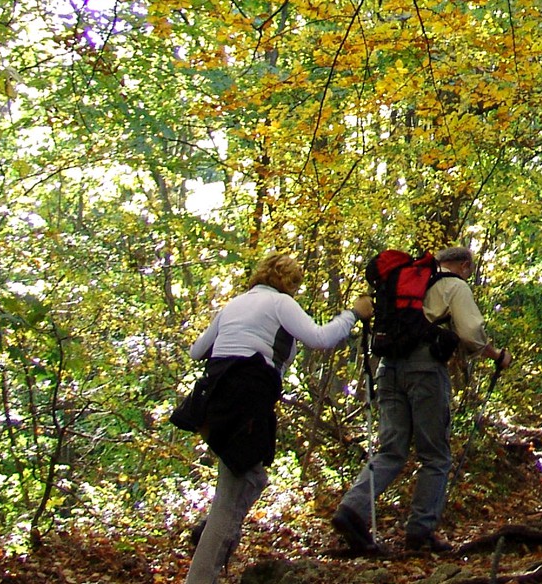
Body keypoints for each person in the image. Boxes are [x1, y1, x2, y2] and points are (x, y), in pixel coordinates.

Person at [183, 252, 373, 584]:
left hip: (216, 403)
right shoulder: (279, 303)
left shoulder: (235, 304)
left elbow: (197, 351)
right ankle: (207, 559)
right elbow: (321, 338)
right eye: (296, 283)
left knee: (253, 478)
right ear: (288, 282)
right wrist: (353, 314)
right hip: (247, 403)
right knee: (232, 494)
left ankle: (218, 533)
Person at [331, 244, 511, 556]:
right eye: (469, 269)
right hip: (426, 371)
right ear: (463, 265)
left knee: (390, 451)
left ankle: (351, 509)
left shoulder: (399, 283)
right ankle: (420, 531)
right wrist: (497, 355)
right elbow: (470, 333)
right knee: (435, 455)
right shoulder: (454, 285)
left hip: (388, 369)